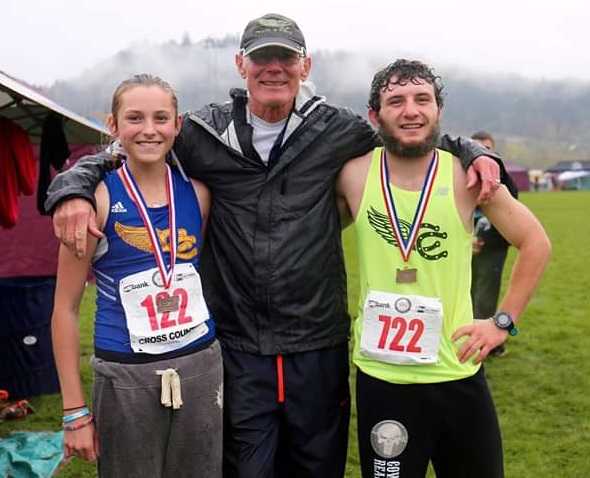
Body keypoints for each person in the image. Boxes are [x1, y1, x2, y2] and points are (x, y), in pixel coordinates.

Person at [45, 14, 508, 478]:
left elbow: (408, 131)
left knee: (316, 469)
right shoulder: (201, 133)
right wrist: (74, 185)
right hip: (240, 347)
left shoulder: (336, 129)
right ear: (240, 65)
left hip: (317, 344)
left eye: (285, 58)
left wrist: (475, 150)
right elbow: (132, 145)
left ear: (305, 66)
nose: (274, 68)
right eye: (261, 57)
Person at [336, 60, 550, 477]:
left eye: (422, 99)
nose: (410, 110)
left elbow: (535, 242)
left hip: (456, 370)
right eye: (395, 101)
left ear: (438, 110)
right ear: (374, 116)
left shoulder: (466, 175)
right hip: (383, 378)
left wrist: (502, 322)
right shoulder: (353, 175)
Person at [51, 74, 222, 477]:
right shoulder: (93, 200)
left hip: (200, 365)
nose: (149, 130)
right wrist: (75, 412)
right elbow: (64, 309)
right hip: (126, 375)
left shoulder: (198, 193)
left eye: (161, 118)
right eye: (135, 118)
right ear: (112, 125)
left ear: (177, 126)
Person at [470, 131, 518, 357]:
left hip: (494, 248)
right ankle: (470, 337)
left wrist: (486, 239)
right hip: (467, 249)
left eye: (488, 147)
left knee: (485, 297)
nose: (484, 151)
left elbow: (512, 217)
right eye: (479, 147)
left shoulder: (503, 178)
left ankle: (492, 343)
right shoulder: (465, 176)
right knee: (467, 294)